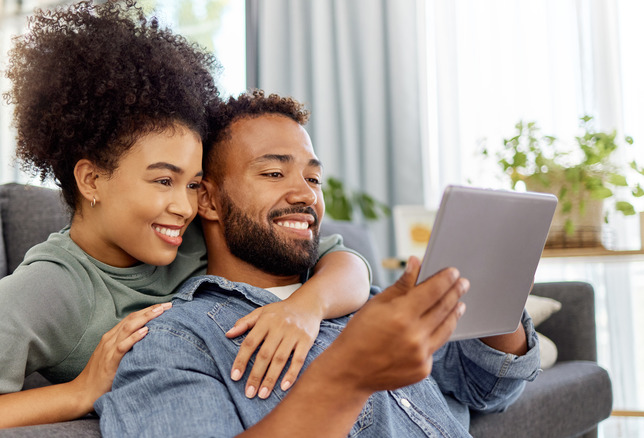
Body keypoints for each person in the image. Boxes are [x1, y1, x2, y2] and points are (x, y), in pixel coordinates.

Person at [0, 2, 371, 431]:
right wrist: (79, 392)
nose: (184, 205)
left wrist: (305, 308)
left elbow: (342, 261)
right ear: (92, 181)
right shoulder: (52, 289)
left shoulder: (194, 229)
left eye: (194, 183)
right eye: (162, 180)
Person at [94, 90, 541, 437]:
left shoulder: (365, 305)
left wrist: (491, 283)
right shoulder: (179, 340)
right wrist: (346, 376)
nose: (306, 194)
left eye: (313, 178)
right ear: (208, 199)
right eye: (274, 173)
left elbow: (486, 387)